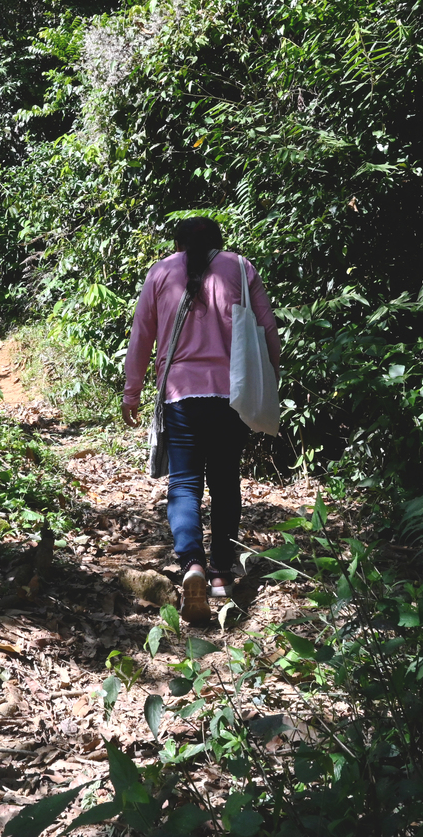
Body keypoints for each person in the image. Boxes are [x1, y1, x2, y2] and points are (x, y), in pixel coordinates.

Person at [122, 216, 281, 624]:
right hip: (234, 394)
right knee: (225, 481)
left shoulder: (160, 272)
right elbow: (267, 330)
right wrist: (271, 379)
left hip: (180, 396)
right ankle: (222, 576)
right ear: (218, 242)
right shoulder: (241, 268)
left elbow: (142, 333)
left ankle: (192, 563)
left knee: (185, 484)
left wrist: (132, 391)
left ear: (178, 245)